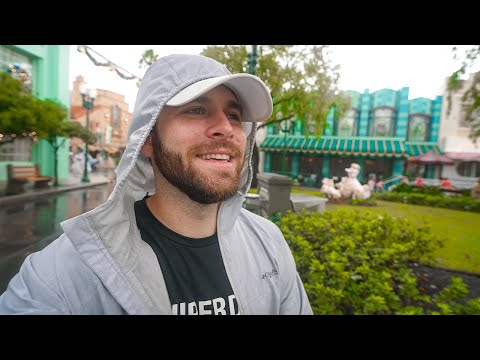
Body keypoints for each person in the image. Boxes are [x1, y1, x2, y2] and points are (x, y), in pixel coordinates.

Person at [0, 54, 312, 315]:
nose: (225, 128)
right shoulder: (60, 276)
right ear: (148, 139)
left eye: (234, 114)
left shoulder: (269, 243)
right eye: (196, 109)